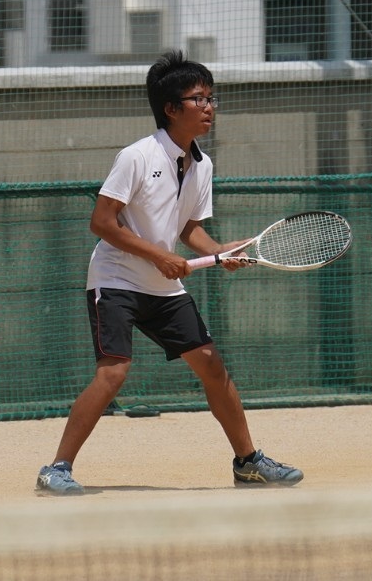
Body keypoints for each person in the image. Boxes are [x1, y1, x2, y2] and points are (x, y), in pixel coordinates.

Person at [35, 50, 303, 495]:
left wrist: (218, 251)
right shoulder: (137, 156)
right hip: (116, 279)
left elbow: (188, 229)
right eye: (198, 99)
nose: (209, 107)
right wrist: (158, 255)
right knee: (113, 372)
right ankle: (56, 469)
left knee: (213, 368)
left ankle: (247, 463)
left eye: (211, 98)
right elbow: (102, 222)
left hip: (163, 286)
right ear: (171, 108)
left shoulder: (203, 165)